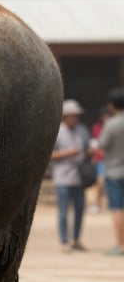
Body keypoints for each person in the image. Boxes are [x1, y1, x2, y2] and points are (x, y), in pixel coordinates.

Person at [50, 99, 91, 252]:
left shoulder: (82, 130)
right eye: (73, 115)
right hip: (63, 178)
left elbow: (87, 148)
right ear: (65, 116)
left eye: (77, 115)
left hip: (80, 177)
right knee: (63, 211)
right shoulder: (58, 132)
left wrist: (89, 152)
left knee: (80, 210)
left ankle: (76, 239)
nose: (76, 118)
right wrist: (68, 153)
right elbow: (50, 155)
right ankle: (65, 240)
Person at [98, 87, 124, 256]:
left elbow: (102, 144)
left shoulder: (111, 124)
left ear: (112, 106)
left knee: (117, 208)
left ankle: (121, 244)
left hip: (115, 172)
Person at [89, 106, 111, 212]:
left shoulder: (114, 127)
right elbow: (95, 143)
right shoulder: (97, 127)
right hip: (101, 159)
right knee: (100, 183)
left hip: (113, 159)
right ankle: (98, 204)